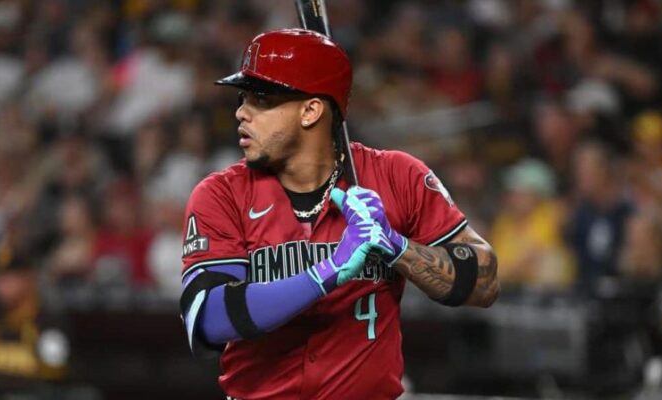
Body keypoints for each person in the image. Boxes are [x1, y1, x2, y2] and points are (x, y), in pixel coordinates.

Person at [179, 29, 499, 399]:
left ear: (311, 111)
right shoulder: (221, 194)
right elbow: (207, 318)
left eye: (261, 100)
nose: (240, 112)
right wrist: (327, 272)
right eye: (242, 98)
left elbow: (485, 281)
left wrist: (396, 247)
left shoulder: (396, 176)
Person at [0, 240, 70, 397]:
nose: (0, 284)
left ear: (29, 279)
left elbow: (53, 377)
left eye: (8, 278)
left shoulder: (49, 321)